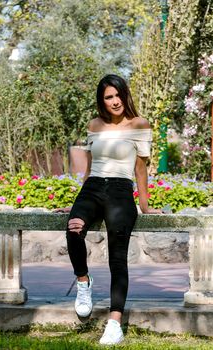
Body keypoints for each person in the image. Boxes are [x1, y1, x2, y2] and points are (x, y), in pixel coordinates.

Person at [65, 74, 162, 345]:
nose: (115, 101)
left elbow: (140, 170)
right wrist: (75, 203)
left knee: (117, 257)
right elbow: (88, 169)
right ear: (102, 100)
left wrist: (145, 205)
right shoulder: (94, 125)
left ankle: (114, 324)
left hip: (120, 190)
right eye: (109, 97)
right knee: (73, 228)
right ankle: (83, 281)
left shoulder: (140, 124)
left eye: (118, 95)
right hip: (93, 188)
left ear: (125, 94)